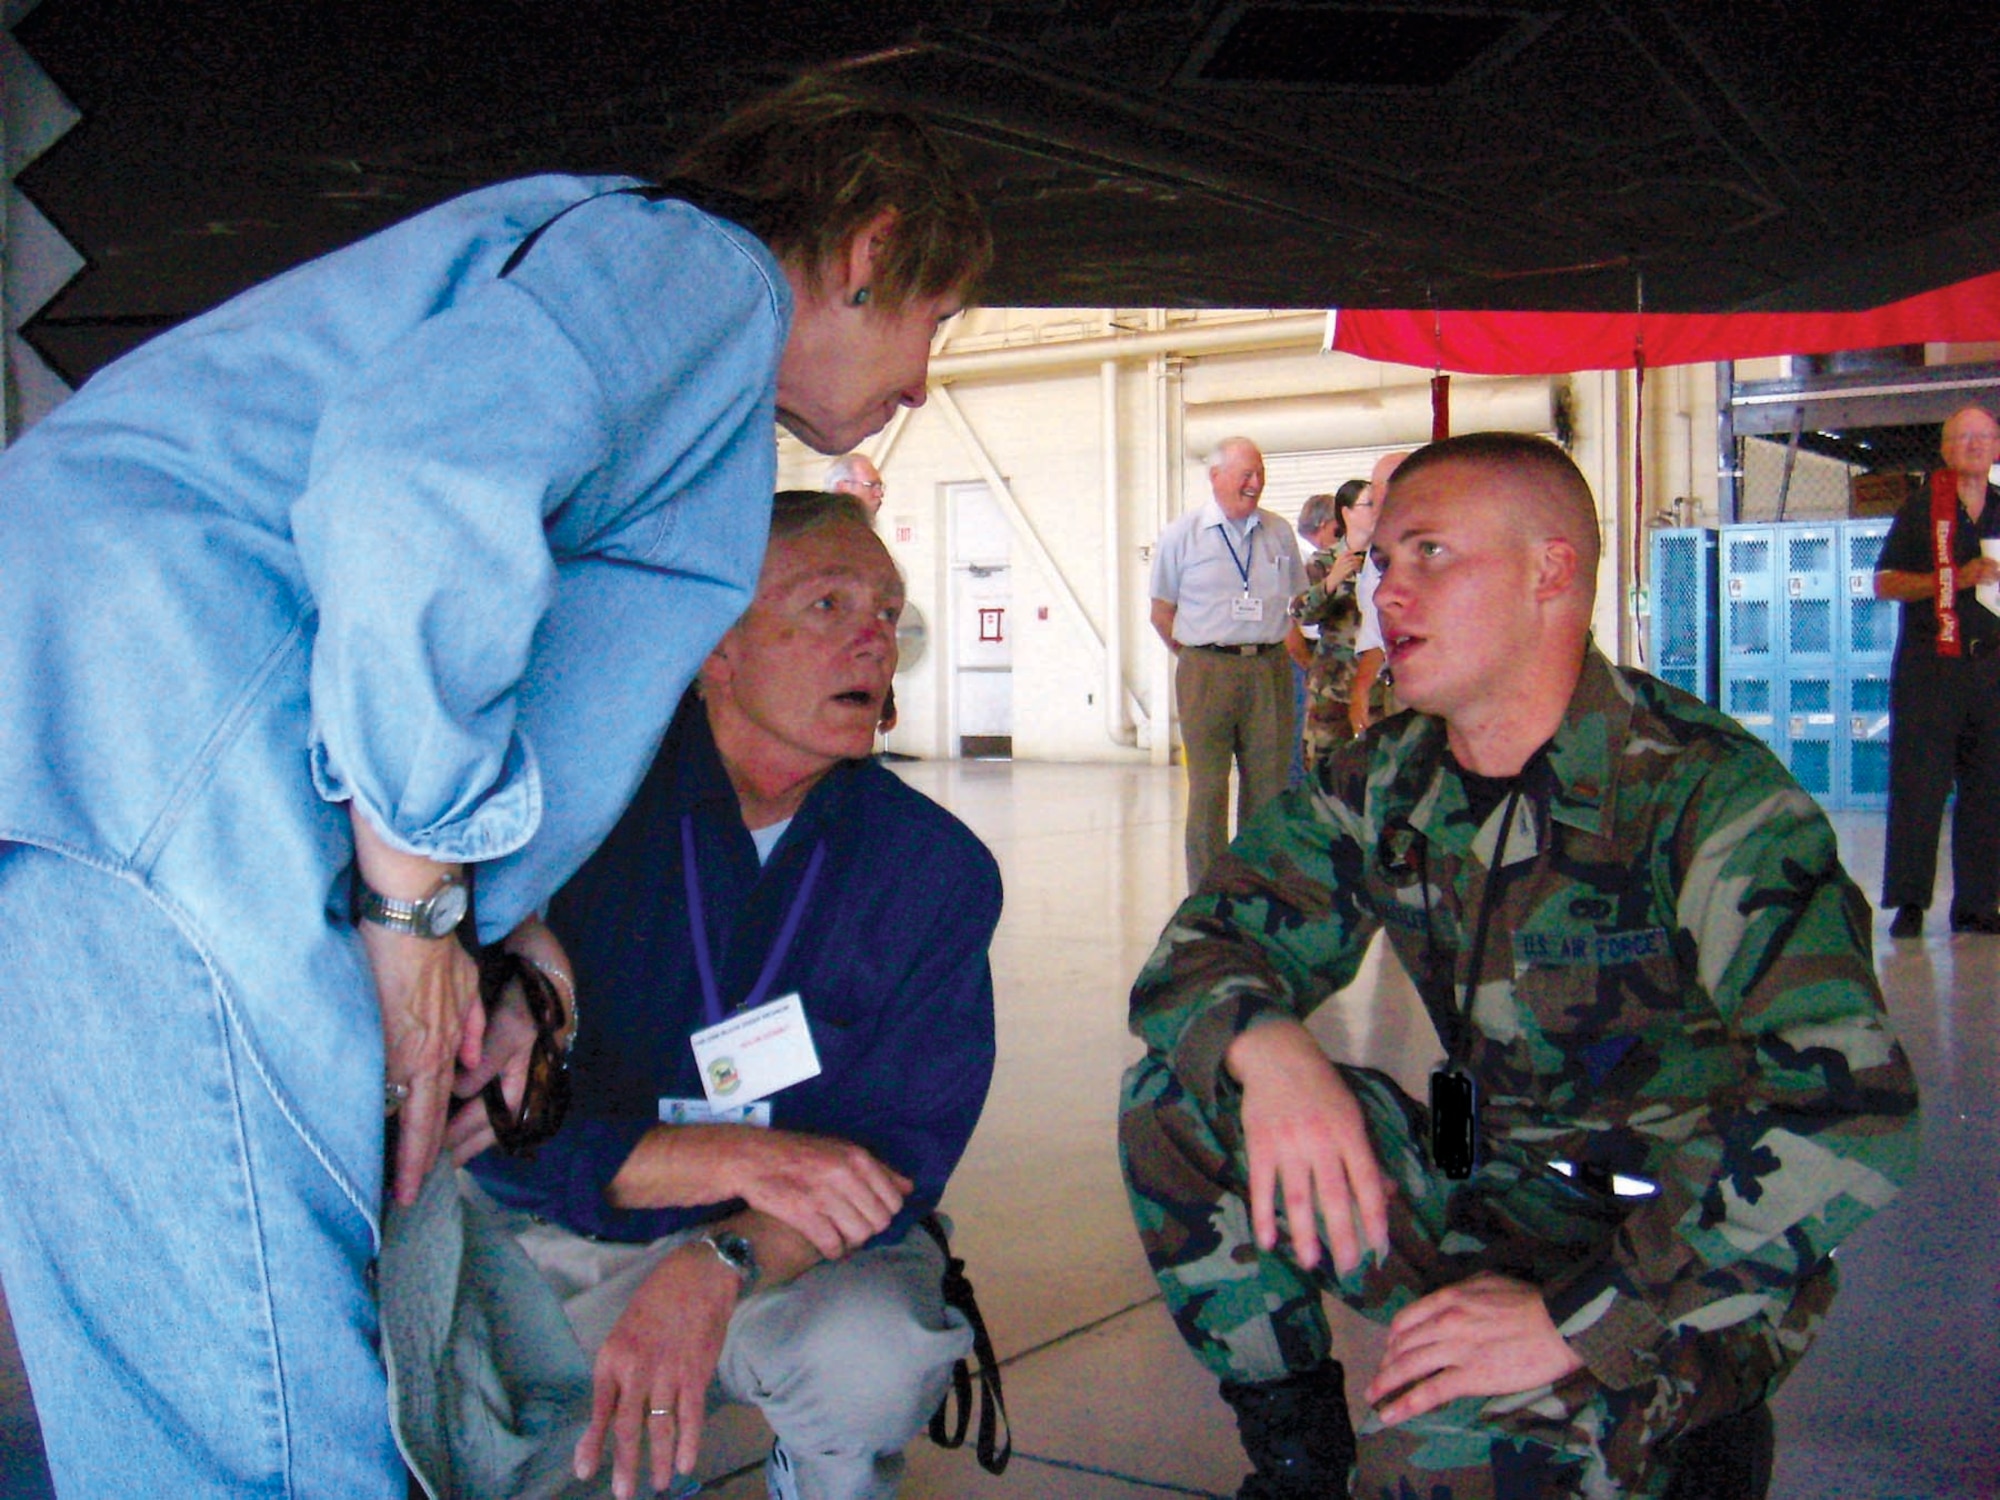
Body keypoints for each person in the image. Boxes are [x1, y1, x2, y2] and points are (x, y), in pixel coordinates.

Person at [0, 79, 989, 1499]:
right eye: (932, 322)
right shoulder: (698, 273)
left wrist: (495, 927)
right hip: (186, 769)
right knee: (272, 1430)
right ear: (867, 252)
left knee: (169, 1391)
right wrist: (415, 907)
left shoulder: (600, 281)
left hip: (96, 770)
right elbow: (415, 486)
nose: (921, 377)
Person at [1119, 433, 1919, 1499]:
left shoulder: (1703, 798)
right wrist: (1269, 1052)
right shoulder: (1388, 777)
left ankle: (1687, 1435)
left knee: (1445, 1455)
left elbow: (1846, 1110)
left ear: (1550, 572)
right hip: (1486, 1183)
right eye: (1381, 558)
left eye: (1428, 554)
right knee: (1180, 1094)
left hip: (1675, 1245)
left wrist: (1575, 1322)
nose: (1385, 586)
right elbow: (1198, 951)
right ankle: (1298, 1458)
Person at [435, 490, 1001, 1500]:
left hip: (788, 1255)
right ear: (714, 647)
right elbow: (503, 1131)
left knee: (871, 1354)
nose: (876, 639)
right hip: (574, 1242)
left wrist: (720, 1256)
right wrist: (734, 1156)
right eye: (828, 605)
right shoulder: (567, 827)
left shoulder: (934, 870)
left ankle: (818, 1466)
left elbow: (898, 1158)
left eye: (887, 609)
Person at [1150, 437, 1307, 889]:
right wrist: (1199, 657)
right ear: (1215, 477)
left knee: (1269, 784)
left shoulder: (1278, 532)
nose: (1255, 483)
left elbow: (1292, 603)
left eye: (1259, 473)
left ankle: (1256, 886)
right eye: (1245, 474)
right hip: (1206, 669)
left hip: (1269, 668)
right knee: (1208, 790)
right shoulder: (1182, 535)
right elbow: (1161, 613)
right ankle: (1208, 891)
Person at [1874, 404, 2000, 937]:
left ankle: (1976, 904)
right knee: (1919, 786)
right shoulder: (1921, 509)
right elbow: (1885, 583)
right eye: (1962, 437)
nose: (1973, 445)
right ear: (1946, 449)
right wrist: (1956, 579)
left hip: (1991, 668)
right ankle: (1909, 903)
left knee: (1989, 787)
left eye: (1983, 437)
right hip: (1931, 668)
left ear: (1996, 449)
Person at [1290, 478, 1379, 781]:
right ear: (1346, 513)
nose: (1377, 510)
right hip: (1332, 682)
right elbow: (1300, 613)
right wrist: (1330, 583)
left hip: (1377, 684)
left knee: (1376, 771)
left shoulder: (1387, 559)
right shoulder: (1324, 561)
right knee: (1323, 772)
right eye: (1369, 504)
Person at [1346, 450, 1407, 736]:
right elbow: (1373, 625)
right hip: (1388, 680)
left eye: (1376, 494)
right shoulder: (1377, 548)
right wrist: (1362, 687)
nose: (1373, 505)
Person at [825, 452, 888, 520]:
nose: (880, 494)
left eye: (879, 486)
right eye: (871, 485)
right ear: (843, 488)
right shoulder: (823, 528)